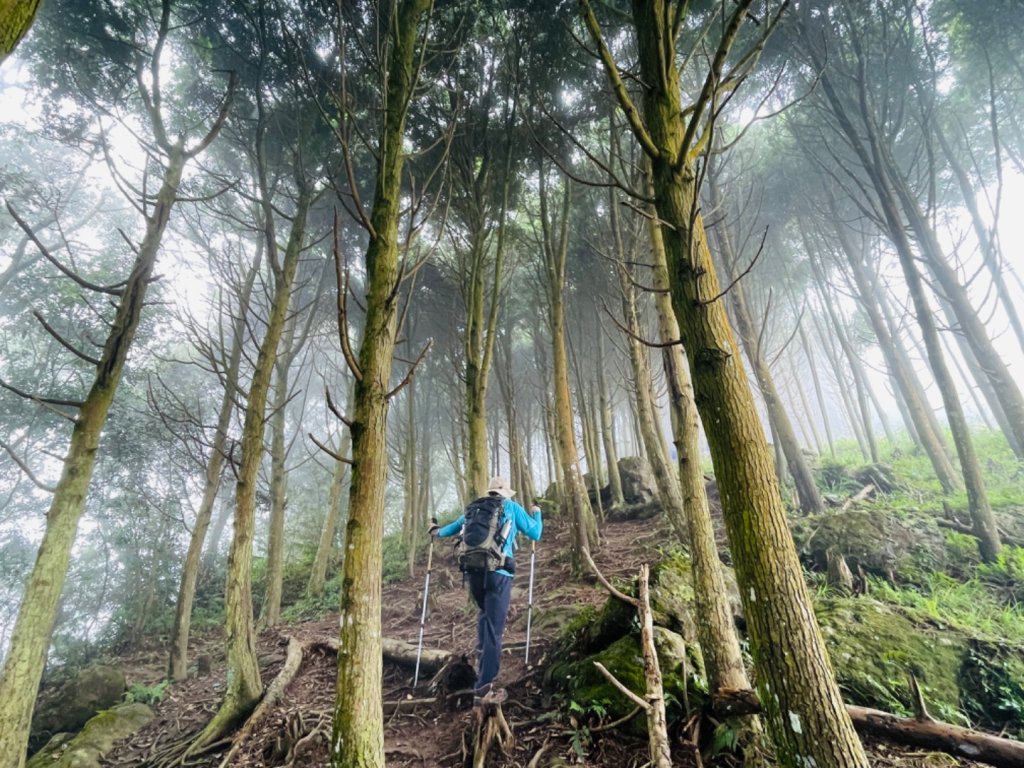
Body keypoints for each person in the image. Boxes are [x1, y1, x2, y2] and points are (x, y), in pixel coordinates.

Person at [429, 476, 542, 705]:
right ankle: (484, 686)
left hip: (473, 571)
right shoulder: (510, 507)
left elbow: (451, 529)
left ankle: (482, 666)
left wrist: (435, 531)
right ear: (505, 493)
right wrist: (537, 511)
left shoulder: (474, 508)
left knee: (484, 617)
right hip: (499, 574)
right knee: (493, 628)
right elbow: (535, 533)